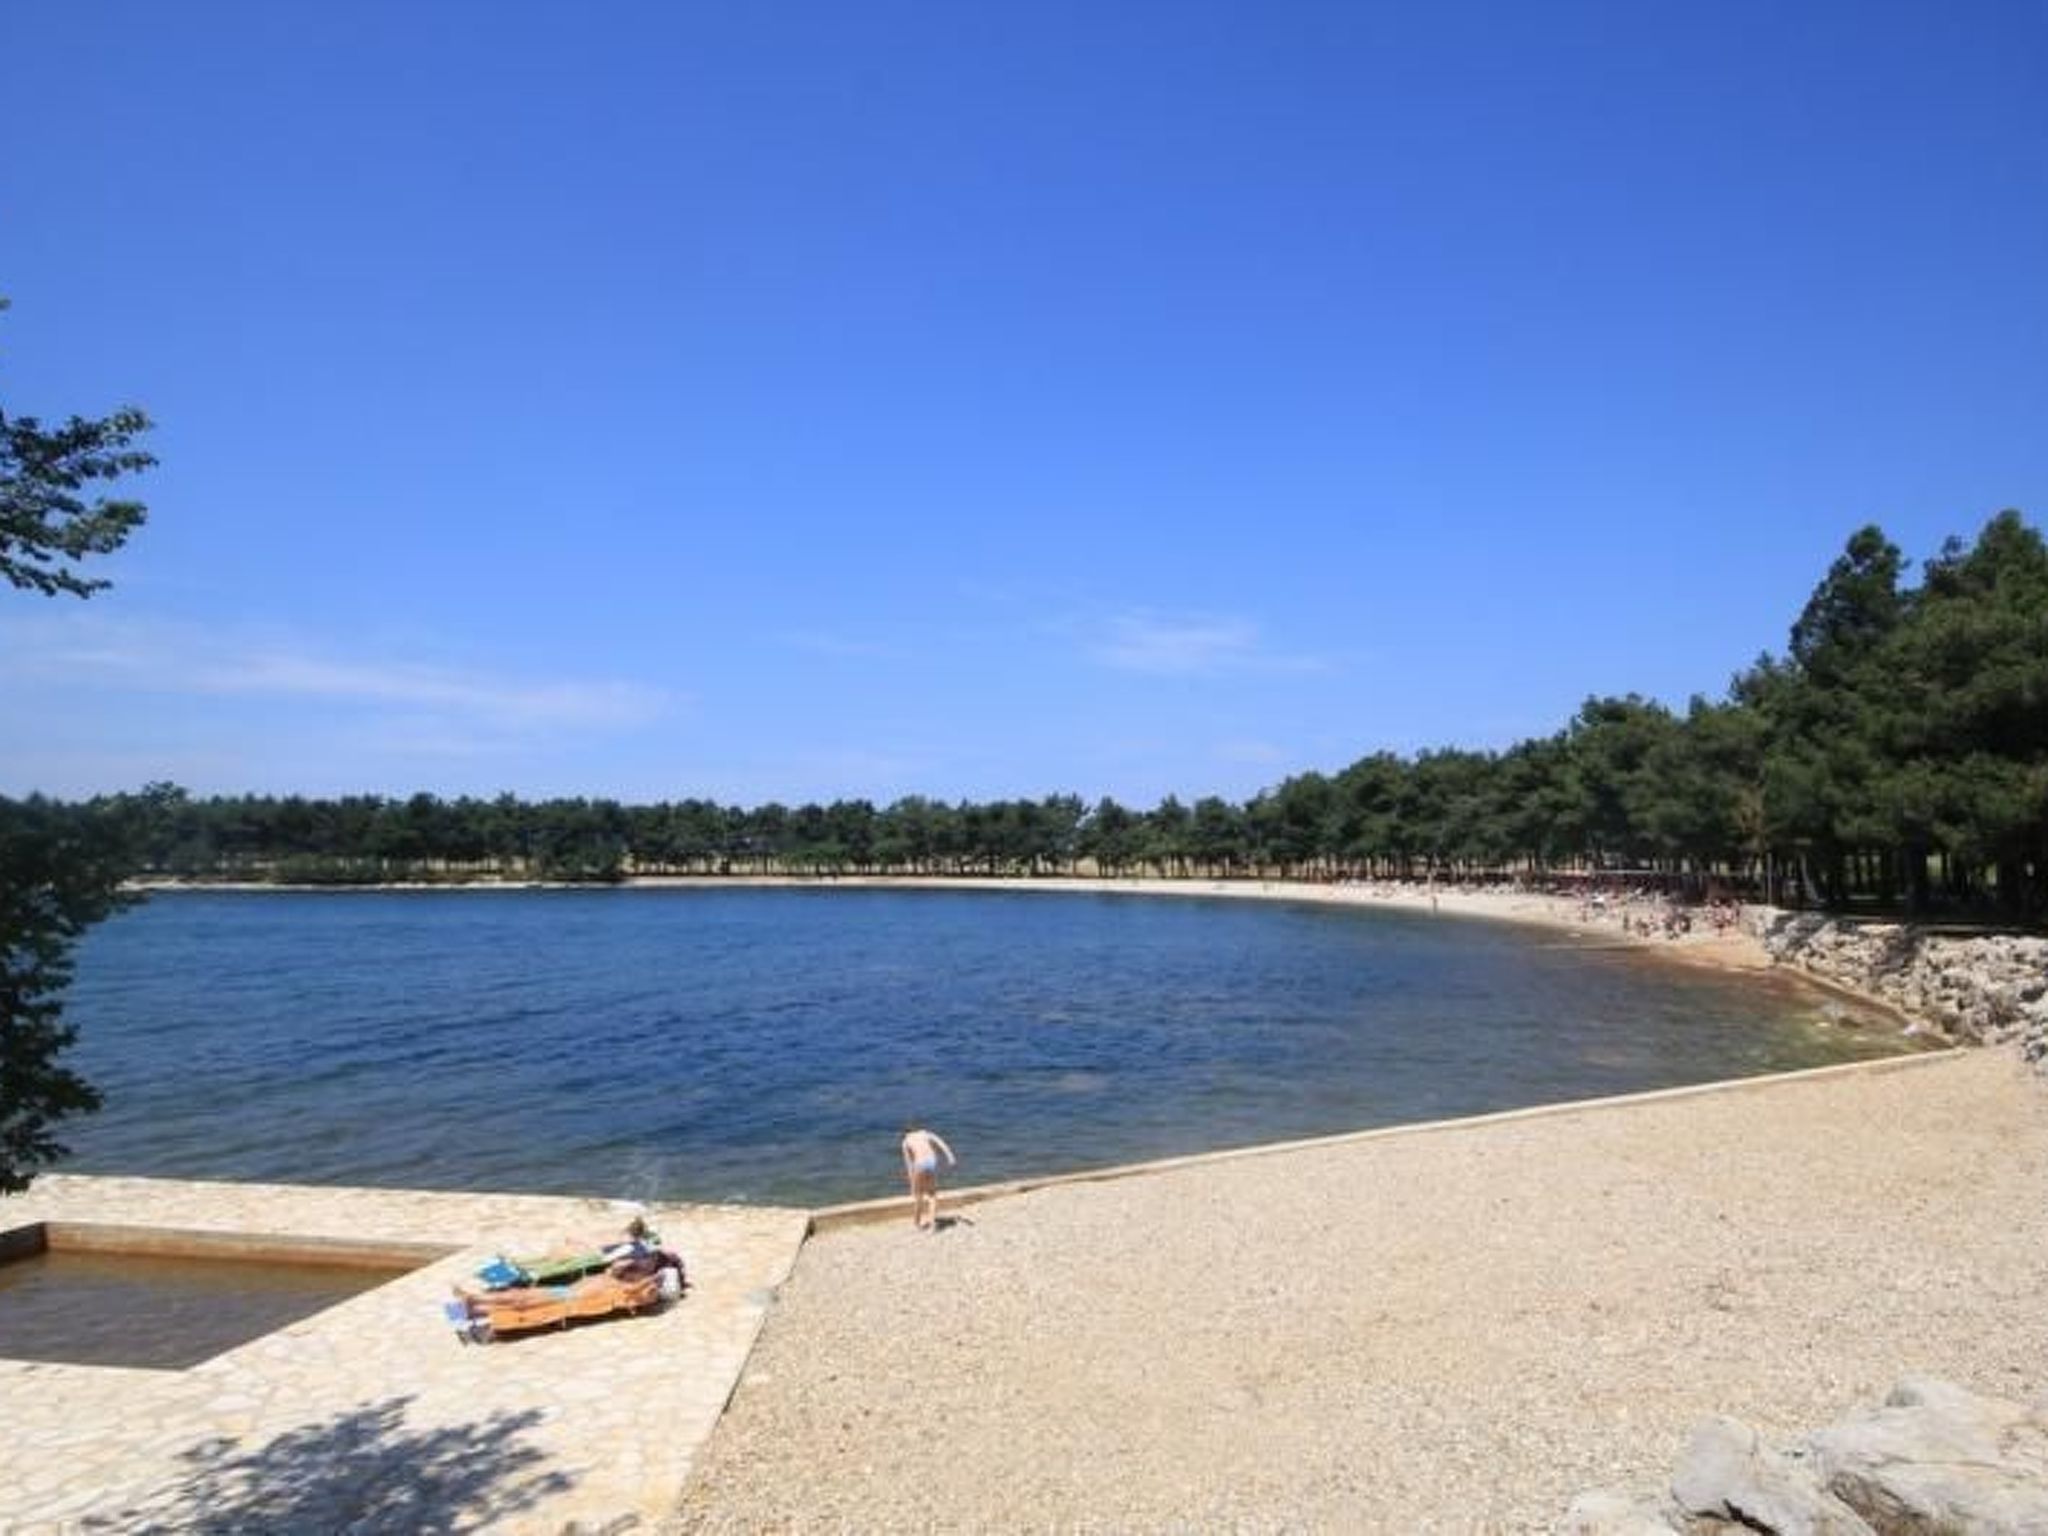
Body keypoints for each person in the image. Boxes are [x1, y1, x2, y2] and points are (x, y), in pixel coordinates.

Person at [900, 1122, 956, 1230]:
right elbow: (941, 1143)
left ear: (906, 1133)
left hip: (920, 1164)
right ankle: (932, 1224)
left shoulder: (906, 1141)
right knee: (932, 1195)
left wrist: (911, 1182)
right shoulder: (925, 1133)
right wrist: (950, 1157)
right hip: (931, 1162)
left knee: (918, 1196)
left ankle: (917, 1223)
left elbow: (909, 1164)